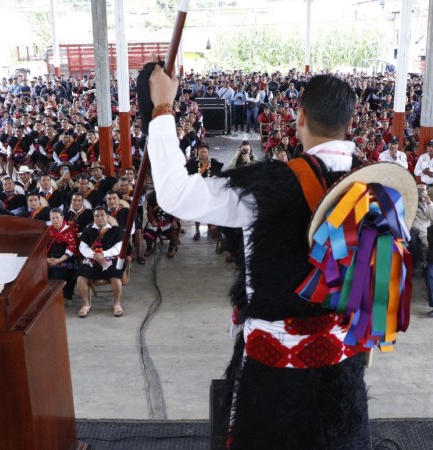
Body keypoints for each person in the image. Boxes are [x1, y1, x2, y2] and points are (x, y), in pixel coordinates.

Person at [147, 70, 371, 447]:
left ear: (300, 116)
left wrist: (163, 108)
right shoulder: (375, 187)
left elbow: (174, 194)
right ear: (350, 123)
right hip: (344, 369)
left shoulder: (265, 188)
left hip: (273, 378)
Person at [76, 207, 124, 318]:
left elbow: (118, 247)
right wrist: (94, 255)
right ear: (94, 218)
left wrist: (103, 254)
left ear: (107, 217)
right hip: (91, 260)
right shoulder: (88, 230)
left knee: (115, 276)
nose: (99, 218)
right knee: (81, 278)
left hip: (109, 259)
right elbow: (83, 247)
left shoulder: (116, 230)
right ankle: (86, 304)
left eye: (102, 215)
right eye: (97, 216)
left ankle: (117, 304)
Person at [47, 209, 79, 302]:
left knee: (59, 270)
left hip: (65, 259)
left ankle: (60, 298)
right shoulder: (47, 231)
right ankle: (44, 298)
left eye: (57, 217)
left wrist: (58, 260)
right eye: (53, 218)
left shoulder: (70, 230)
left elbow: (71, 248)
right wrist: (46, 259)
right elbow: (42, 246)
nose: (55, 220)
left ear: (62, 217)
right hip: (48, 258)